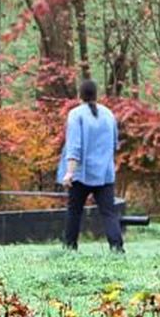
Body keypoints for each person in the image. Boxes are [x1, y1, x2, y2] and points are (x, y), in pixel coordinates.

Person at [57, 79, 123, 253]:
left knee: (74, 212)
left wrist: (69, 172)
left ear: (80, 95)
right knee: (109, 213)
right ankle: (117, 248)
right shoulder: (109, 114)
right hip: (105, 174)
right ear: (96, 94)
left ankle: (70, 248)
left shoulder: (76, 114)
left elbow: (74, 146)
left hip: (81, 174)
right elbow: (115, 144)